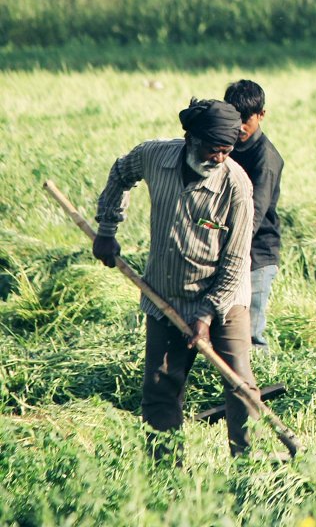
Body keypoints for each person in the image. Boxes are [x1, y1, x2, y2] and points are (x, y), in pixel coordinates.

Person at [92, 99, 258, 459]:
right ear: (190, 138)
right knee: (159, 388)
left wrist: (206, 315)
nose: (219, 159)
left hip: (223, 299)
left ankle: (250, 463)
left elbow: (235, 261)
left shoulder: (236, 187)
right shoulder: (154, 156)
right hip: (165, 295)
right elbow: (121, 173)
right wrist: (107, 227)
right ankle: (166, 468)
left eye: (226, 151)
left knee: (240, 383)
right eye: (213, 149)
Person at [224, 80, 285, 352]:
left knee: (251, 334)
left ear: (261, 115)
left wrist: (228, 250)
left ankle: (257, 389)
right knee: (225, 326)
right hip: (228, 245)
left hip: (257, 254)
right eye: (234, 118)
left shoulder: (266, 159)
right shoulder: (224, 147)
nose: (240, 126)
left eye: (246, 119)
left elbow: (254, 214)